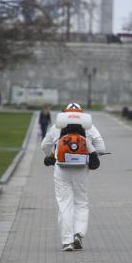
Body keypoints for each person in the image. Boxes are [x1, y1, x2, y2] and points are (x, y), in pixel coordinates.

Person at [41, 103, 105, 251]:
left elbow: (44, 145)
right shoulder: (89, 127)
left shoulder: (57, 127)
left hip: (61, 169)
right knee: (81, 203)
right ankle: (78, 234)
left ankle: (67, 241)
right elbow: (101, 148)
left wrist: (51, 155)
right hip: (81, 170)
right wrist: (92, 152)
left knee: (64, 204)